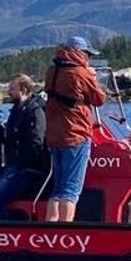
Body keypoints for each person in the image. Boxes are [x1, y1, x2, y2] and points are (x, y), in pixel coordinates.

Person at [43, 36, 107, 222]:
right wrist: (93, 77)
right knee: (71, 189)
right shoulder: (80, 72)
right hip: (76, 134)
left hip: (55, 136)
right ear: (80, 52)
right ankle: (67, 229)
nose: (88, 58)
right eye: (87, 54)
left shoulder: (52, 71)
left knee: (58, 187)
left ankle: (51, 226)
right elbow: (99, 99)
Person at [0, 74, 49, 220]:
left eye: (12, 89)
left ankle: (6, 231)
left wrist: (22, 162)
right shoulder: (16, 110)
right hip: (13, 164)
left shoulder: (35, 111)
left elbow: (36, 141)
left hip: (27, 168)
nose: (9, 92)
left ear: (24, 89)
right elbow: (10, 137)